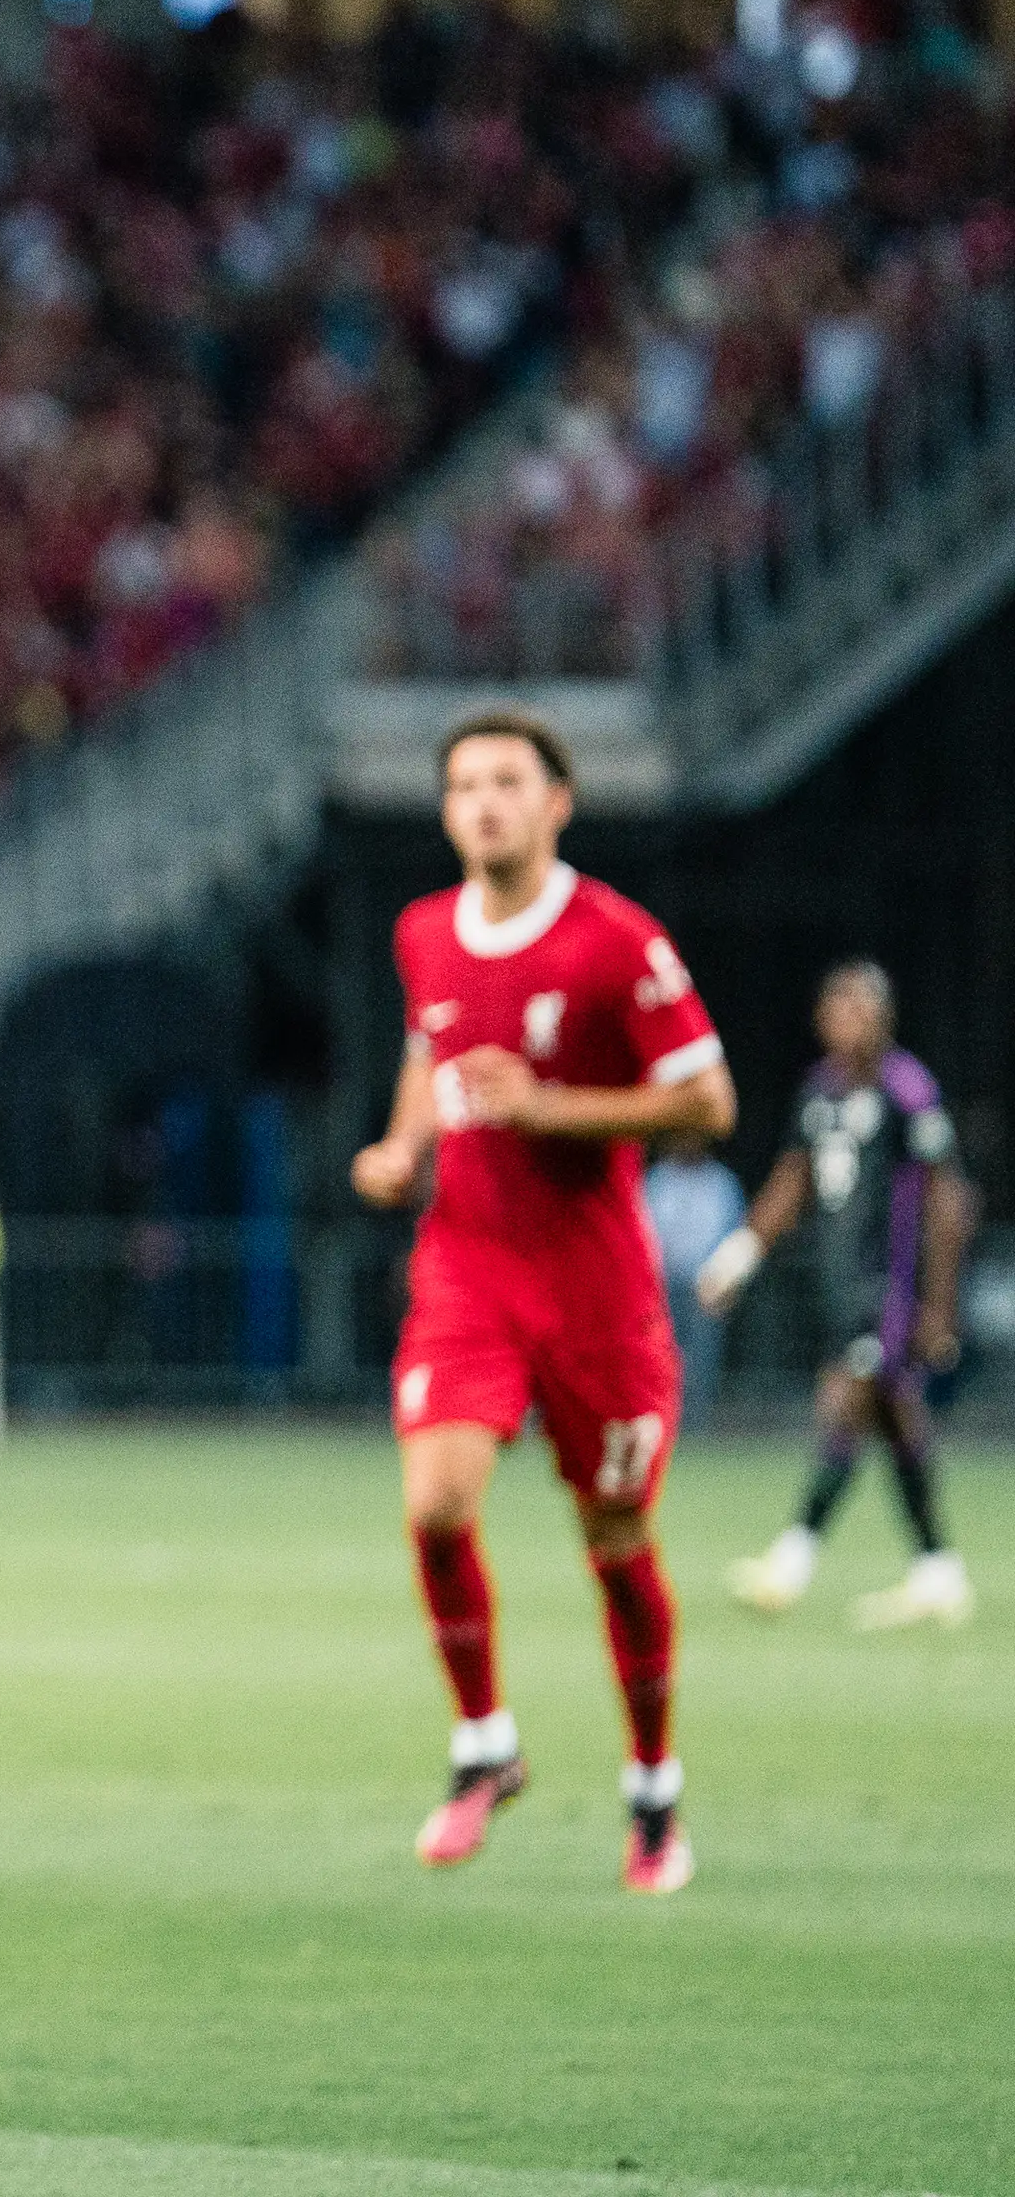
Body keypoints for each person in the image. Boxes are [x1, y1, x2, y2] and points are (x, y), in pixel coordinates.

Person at [351, 711, 735, 1892]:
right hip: (468, 1267)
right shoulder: (424, 931)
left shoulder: (617, 942)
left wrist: (551, 1109)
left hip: (595, 1291)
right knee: (436, 1503)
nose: (483, 803)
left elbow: (709, 1104)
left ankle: (654, 1788)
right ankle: (484, 1748)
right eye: (463, 783)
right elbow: (434, 1047)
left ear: (558, 801)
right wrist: (403, 1141)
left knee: (615, 1546)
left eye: (508, 781)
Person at [711, 961, 978, 1629]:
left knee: (846, 1402)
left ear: (884, 1017)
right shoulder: (819, 1093)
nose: (846, 1021)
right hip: (839, 1285)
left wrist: (938, 1306)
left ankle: (791, 1559)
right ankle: (938, 1569)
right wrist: (740, 1254)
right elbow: (792, 1180)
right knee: (894, 1418)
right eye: (836, 1008)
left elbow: (950, 1200)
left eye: (860, 1009)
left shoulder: (907, 1090)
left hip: (890, 1287)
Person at [642, 1131, 746, 1431]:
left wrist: (727, 1280)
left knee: (701, 1356)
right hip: (663, 1285)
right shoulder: (657, 1180)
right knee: (660, 1355)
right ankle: (660, 1417)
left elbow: (733, 1234)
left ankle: (696, 1428)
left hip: (708, 1284)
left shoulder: (722, 1182)